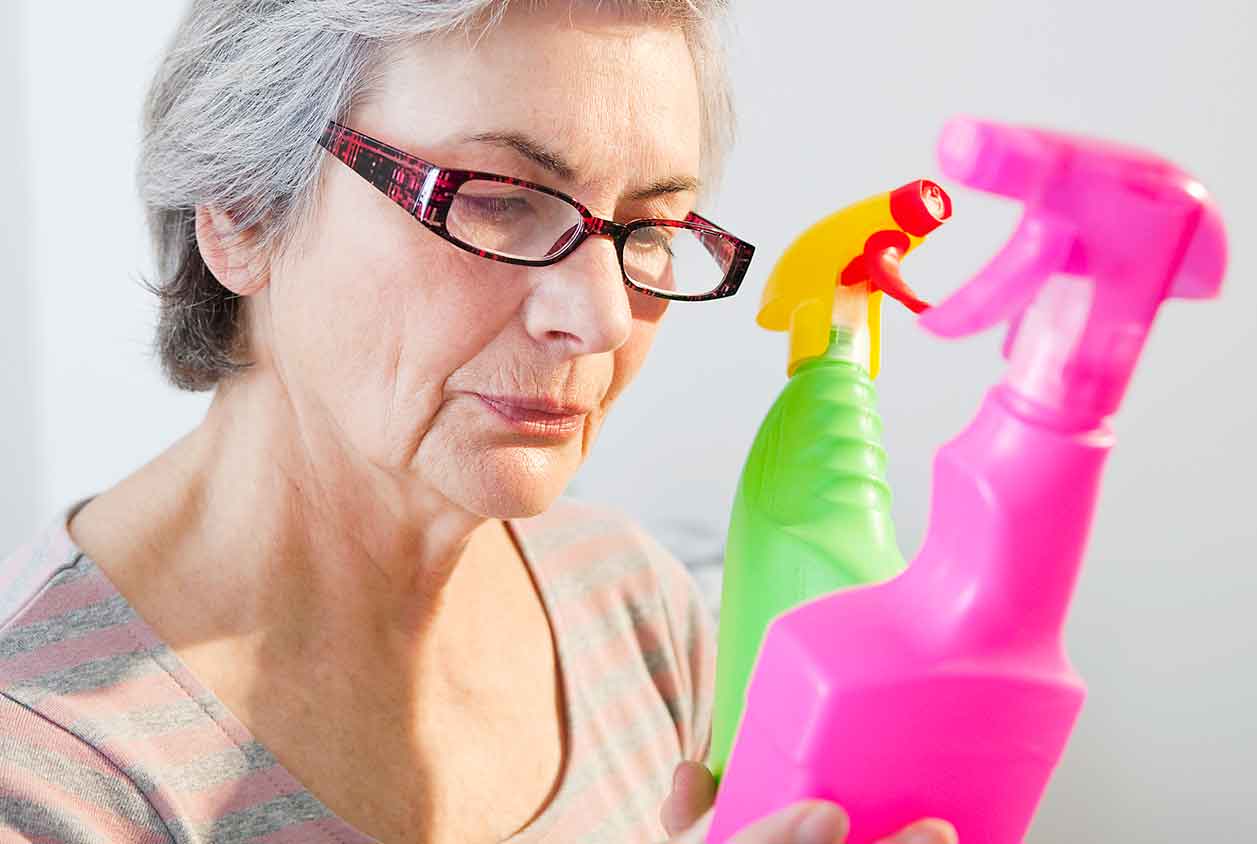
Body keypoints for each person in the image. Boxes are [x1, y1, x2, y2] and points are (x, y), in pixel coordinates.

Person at [0, 2, 959, 842]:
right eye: (498, 201)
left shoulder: (633, 605)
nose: (601, 319)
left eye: (652, 231)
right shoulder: (44, 770)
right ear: (244, 213)